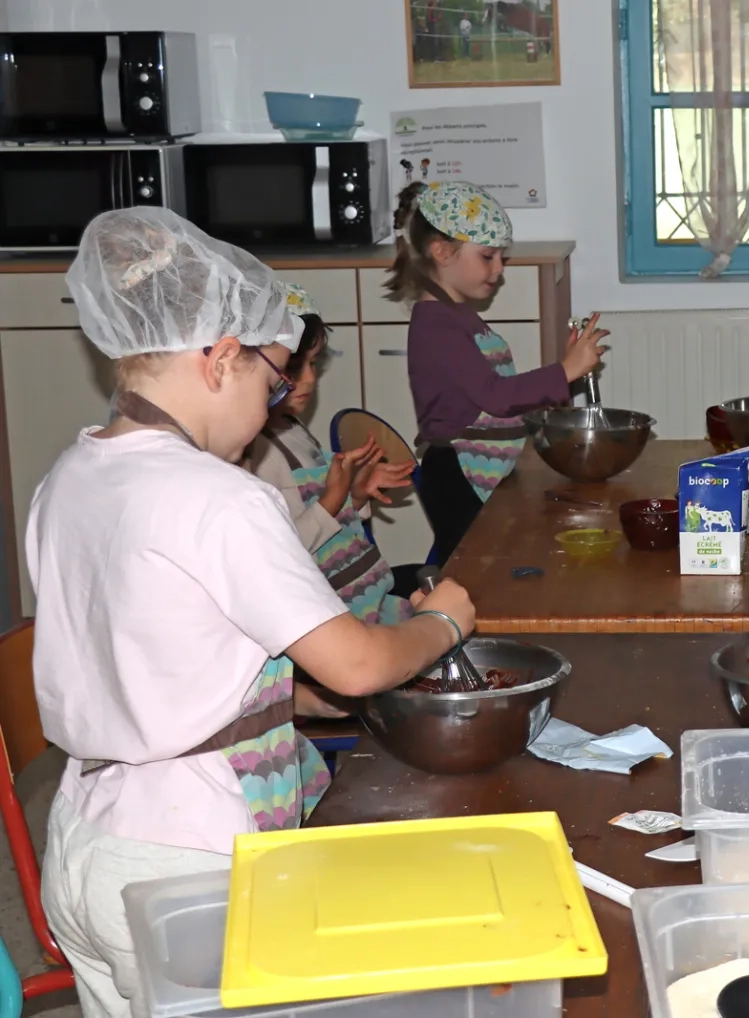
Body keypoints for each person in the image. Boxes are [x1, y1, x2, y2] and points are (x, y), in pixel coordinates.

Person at [32, 208, 475, 1018]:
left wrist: (292, 698)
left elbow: (157, 654)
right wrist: (443, 621)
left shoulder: (70, 473)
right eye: (271, 386)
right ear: (220, 359)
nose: (271, 410)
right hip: (187, 860)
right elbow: (359, 663)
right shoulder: (221, 497)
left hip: (83, 844)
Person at [390, 180, 606, 559]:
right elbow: (496, 396)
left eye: (501, 258)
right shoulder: (436, 324)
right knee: (476, 572)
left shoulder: (456, 314)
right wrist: (564, 370)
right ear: (442, 252)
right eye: (488, 256)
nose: (499, 269)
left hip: (478, 466)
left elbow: (495, 393)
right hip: (457, 474)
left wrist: (563, 372)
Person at [246, 285, 415, 625]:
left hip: (365, 597)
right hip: (332, 616)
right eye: (294, 366)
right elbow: (283, 553)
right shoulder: (258, 455)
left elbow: (328, 522)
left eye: (314, 364)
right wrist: (333, 500)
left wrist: (355, 495)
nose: (309, 379)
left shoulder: (292, 427)